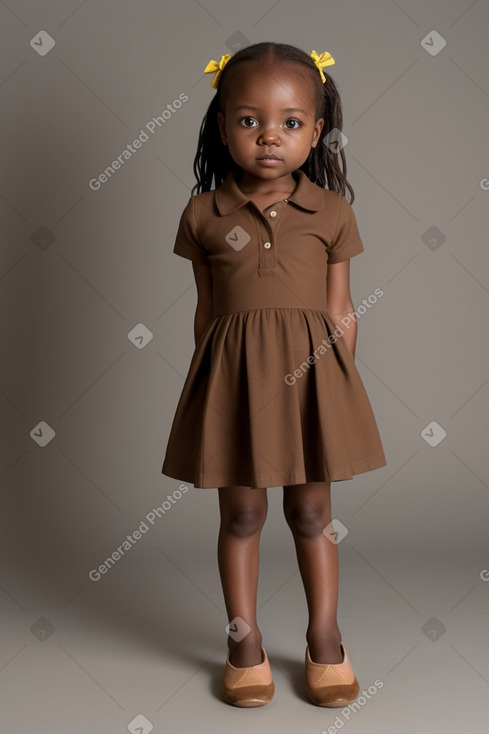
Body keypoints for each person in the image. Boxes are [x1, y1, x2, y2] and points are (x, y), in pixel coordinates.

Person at [161, 41, 386, 708]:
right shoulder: (204, 215)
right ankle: (244, 644)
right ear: (221, 124)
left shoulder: (332, 213)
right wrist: (209, 395)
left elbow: (341, 312)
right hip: (233, 387)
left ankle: (325, 642)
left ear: (316, 131)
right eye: (248, 119)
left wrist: (337, 394)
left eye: (290, 122)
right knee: (242, 514)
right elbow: (206, 316)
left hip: (314, 384)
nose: (269, 136)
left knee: (312, 512)